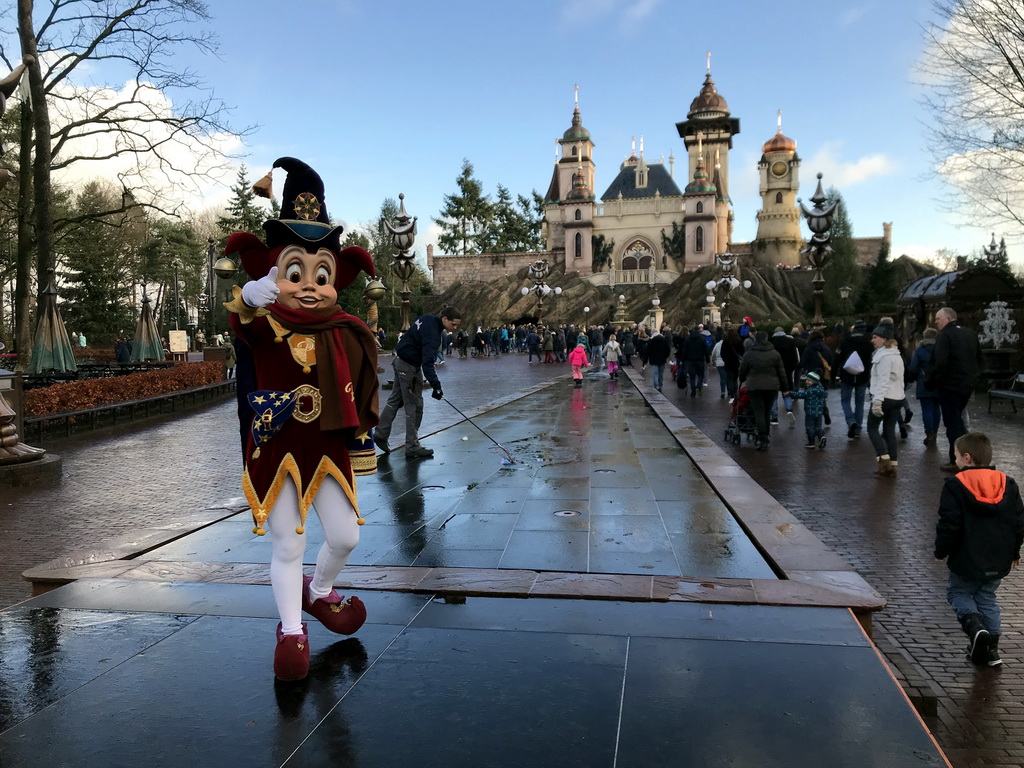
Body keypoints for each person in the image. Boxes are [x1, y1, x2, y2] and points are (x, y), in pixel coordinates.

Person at [225, 156, 379, 681]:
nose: (309, 285)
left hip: (329, 444)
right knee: (289, 542)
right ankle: (291, 630)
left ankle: (318, 593)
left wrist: (363, 435)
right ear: (274, 274)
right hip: (281, 443)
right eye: (296, 273)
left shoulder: (343, 327)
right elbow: (237, 323)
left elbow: (360, 383)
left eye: (321, 275)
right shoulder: (265, 321)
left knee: (345, 538)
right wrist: (247, 299)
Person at [935, 432, 1024, 667]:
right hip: (999, 558)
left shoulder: (955, 485)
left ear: (967, 457)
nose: (954, 461)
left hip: (966, 556)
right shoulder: (1009, 484)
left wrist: (941, 551)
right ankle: (991, 650)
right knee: (987, 597)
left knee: (959, 593)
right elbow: (1019, 522)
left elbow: (949, 523)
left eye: (955, 456)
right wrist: (1015, 552)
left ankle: (976, 630)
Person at [374, 306, 462, 460]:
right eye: (453, 324)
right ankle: (412, 446)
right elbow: (427, 363)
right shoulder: (434, 335)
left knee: (395, 400)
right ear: (445, 319)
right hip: (409, 369)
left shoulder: (427, 317)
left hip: (400, 361)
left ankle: (381, 433)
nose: (454, 328)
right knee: (414, 406)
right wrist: (437, 386)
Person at [927, 307, 983, 472]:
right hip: (967, 385)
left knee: (952, 423)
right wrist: (975, 379)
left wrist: (932, 381)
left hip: (949, 386)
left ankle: (958, 459)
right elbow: (979, 358)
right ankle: (966, 454)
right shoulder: (970, 334)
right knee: (957, 419)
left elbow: (940, 362)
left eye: (938, 318)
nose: (936, 322)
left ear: (949, 318)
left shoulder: (944, 336)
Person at [866, 322, 907, 478]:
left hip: (884, 398)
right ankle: (893, 463)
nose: (872, 340)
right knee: (889, 431)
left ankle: (884, 461)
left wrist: (877, 401)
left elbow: (883, 381)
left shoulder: (883, 357)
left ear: (884, 339)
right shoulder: (897, 356)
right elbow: (900, 380)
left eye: (875, 337)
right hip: (897, 398)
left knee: (872, 428)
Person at [738, 331, 789, 452]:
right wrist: (785, 388)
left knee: (759, 411)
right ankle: (766, 434)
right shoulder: (774, 353)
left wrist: (742, 378)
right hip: (772, 386)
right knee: (767, 411)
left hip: (755, 386)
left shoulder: (749, 354)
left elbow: (742, 370)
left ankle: (762, 437)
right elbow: (781, 372)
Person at [836, 320, 874, 439]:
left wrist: (832, 376)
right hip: (863, 377)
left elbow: (837, 358)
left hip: (846, 376)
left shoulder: (845, 341)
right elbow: (872, 360)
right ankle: (857, 429)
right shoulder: (869, 343)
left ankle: (850, 420)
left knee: (845, 400)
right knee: (860, 402)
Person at [908, 327, 941, 447]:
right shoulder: (940, 350)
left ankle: (929, 433)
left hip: (924, 382)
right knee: (936, 408)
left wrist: (916, 378)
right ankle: (935, 431)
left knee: (926, 409)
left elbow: (913, 368)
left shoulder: (920, 351)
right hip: (938, 382)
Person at [790, 370, 828, 449]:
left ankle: (811, 443)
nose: (807, 382)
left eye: (809, 381)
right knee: (818, 427)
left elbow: (800, 394)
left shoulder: (810, 390)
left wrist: (790, 393)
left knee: (809, 427)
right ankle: (821, 436)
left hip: (810, 412)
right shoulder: (821, 390)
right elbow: (824, 396)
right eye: (807, 380)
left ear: (814, 381)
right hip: (819, 412)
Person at [769, 327, 799, 425]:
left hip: (773, 372)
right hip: (787, 372)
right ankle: (789, 410)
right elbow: (795, 358)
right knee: (786, 391)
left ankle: (774, 418)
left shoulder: (771, 342)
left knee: (773, 395)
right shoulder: (790, 342)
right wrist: (792, 368)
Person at [681, 324, 711, 396]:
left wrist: (683, 360)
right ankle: (698, 387)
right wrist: (707, 359)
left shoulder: (688, 339)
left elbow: (685, 351)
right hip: (700, 360)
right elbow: (705, 350)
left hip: (691, 360)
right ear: (699, 330)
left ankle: (693, 390)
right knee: (701, 375)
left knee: (692, 376)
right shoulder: (702, 338)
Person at [646, 327, 671, 391]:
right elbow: (668, 349)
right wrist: (665, 356)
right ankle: (660, 385)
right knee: (661, 373)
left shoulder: (651, 341)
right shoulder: (664, 340)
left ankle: (656, 386)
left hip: (654, 359)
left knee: (655, 373)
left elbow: (648, 350)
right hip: (662, 359)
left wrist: (647, 358)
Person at [710, 334, 727, 399]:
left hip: (719, 362)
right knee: (728, 377)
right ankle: (729, 391)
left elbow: (713, 353)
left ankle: (723, 392)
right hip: (728, 362)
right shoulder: (730, 343)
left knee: (722, 378)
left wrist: (714, 361)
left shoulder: (718, 344)